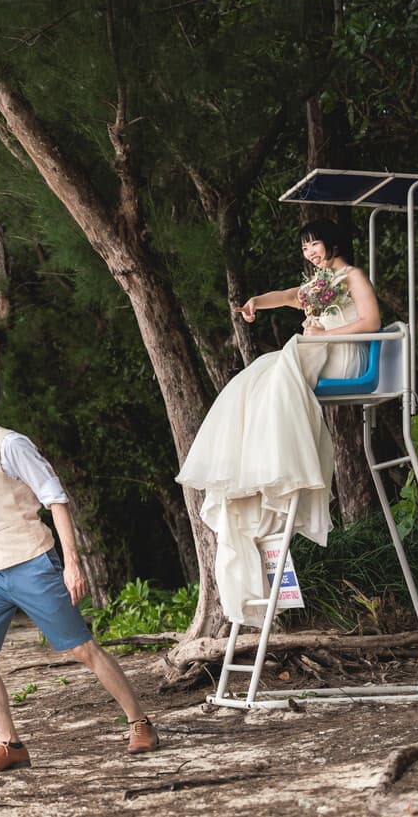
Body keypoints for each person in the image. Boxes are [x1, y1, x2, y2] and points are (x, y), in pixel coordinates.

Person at [0, 365, 160, 774]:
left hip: (30, 563)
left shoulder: (11, 445)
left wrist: (72, 564)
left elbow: (55, 498)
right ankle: (10, 744)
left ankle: (140, 722)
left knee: (81, 649)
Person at [177, 219, 381, 623]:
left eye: (315, 244)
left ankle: (281, 461)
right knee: (262, 372)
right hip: (319, 347)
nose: (310, 253)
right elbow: (289, 295)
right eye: (304, 248)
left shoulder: (352, 276)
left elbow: (371, 323)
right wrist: (255, 301)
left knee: (285, 359)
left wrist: (324, 335)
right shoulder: (318, 281)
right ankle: (257, 458)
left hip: (345, 353)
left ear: (332, 241)